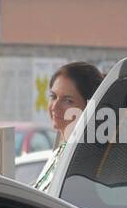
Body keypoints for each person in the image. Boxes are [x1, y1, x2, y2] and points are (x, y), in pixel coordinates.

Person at [34, 62, 103, 191]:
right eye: (53, 97)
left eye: (68, 101)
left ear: (89, 107)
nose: (55, 106)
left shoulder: (85, 160)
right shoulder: (62, 151)